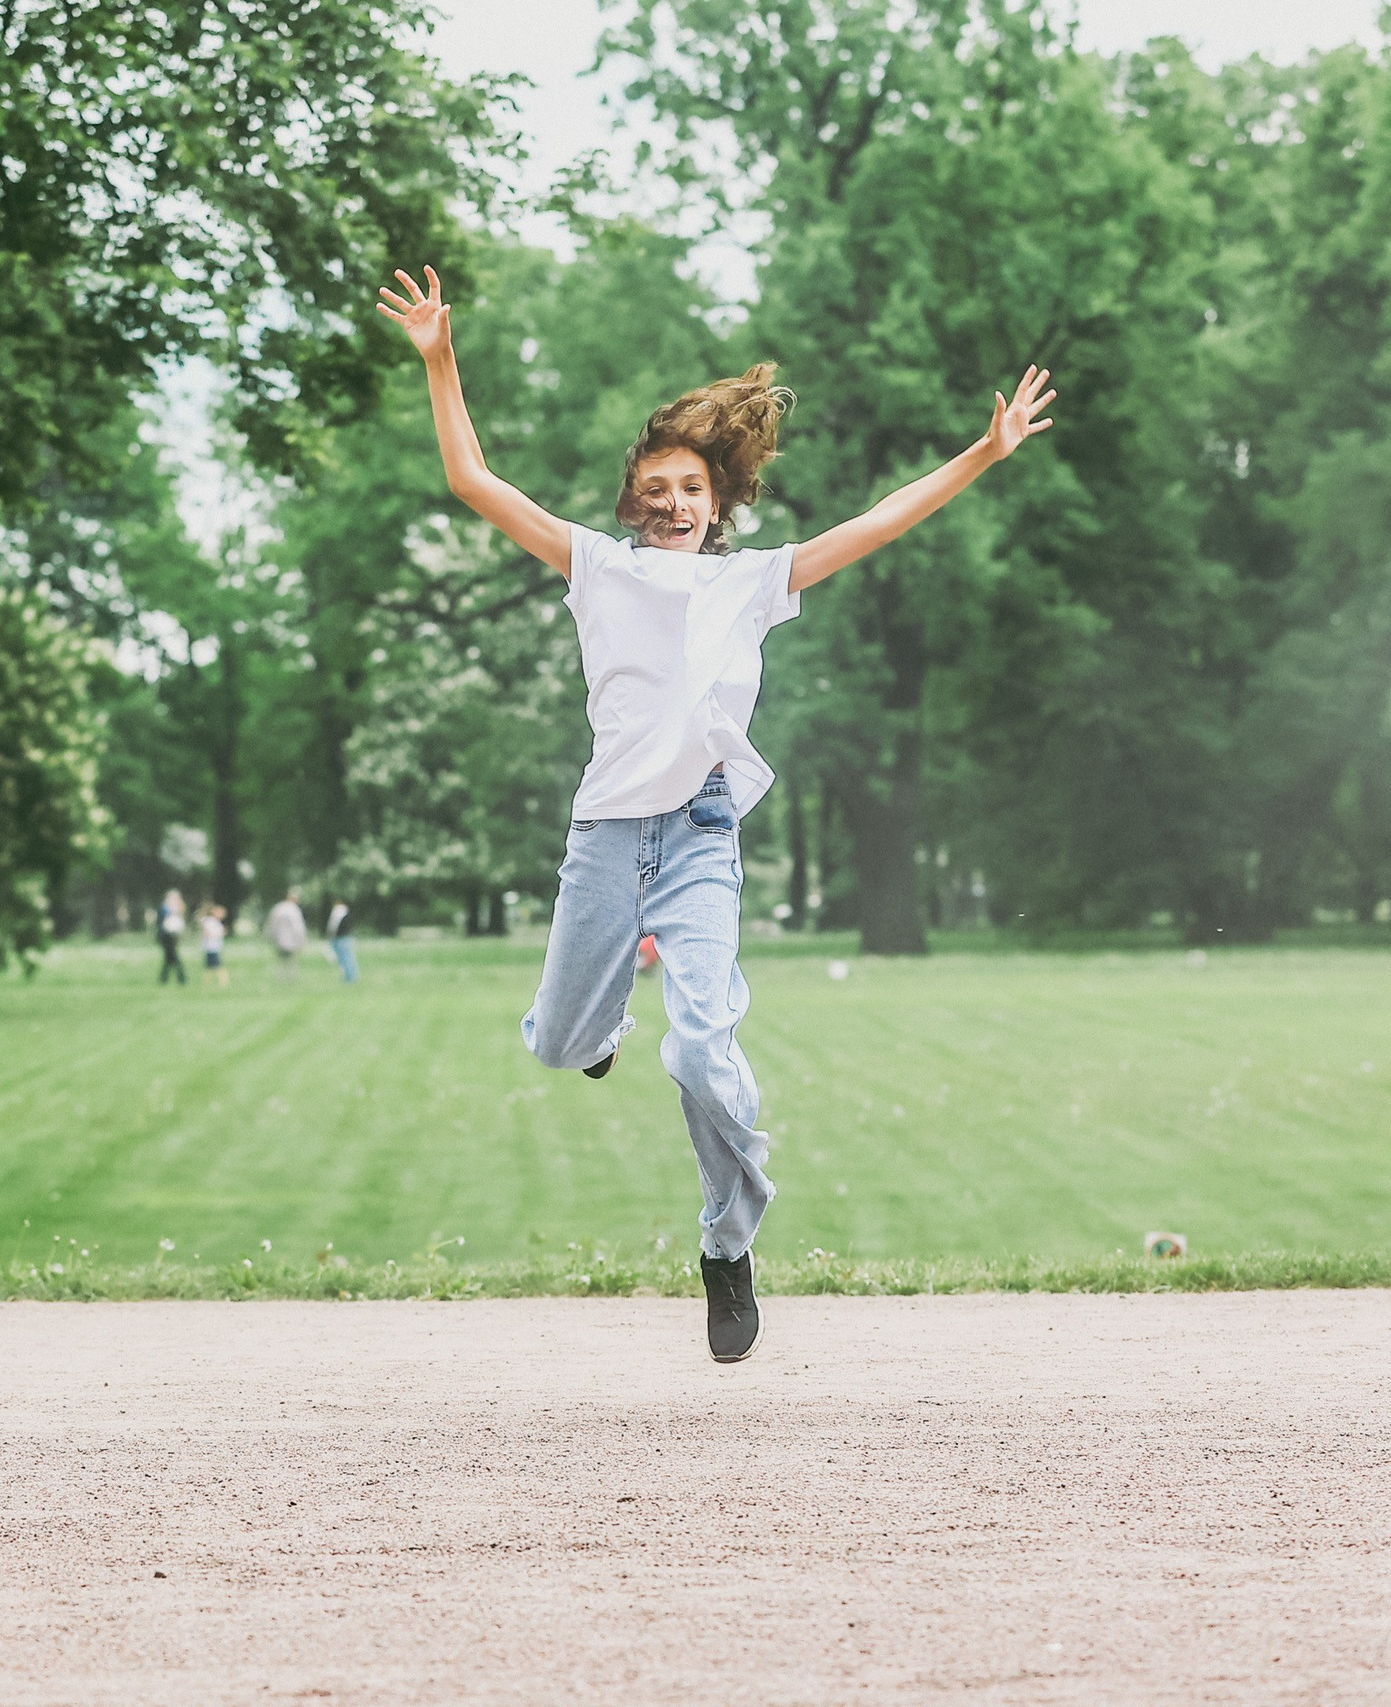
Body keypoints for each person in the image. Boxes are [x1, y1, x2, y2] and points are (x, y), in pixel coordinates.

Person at [378, 265, 1057, 1362]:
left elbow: (880, 522)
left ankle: (725, 1243)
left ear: (718, 501)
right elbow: (471, 480)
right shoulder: (593, 567)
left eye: (691, 487)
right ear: (632, 500)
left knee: (701, 1055)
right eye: (656, 486)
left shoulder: (754, 583)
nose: (674, 503)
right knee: (557, 1044)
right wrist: (439, 357)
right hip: (605, 837)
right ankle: (595, 1029)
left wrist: (983, 452)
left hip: (697, 837)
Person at [265, 888, 308, 978]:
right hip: (292, 940)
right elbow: (298, 927)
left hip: (279, 939)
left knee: (281, 960)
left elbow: (271, 924)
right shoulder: (294, 910)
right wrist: (301, 940)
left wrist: (271, 937)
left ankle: (281, 976)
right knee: (291, 961)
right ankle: (290, 977)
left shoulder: (278, 908)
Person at [155, 888, 189, 986]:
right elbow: (163, 923)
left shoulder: (175, 908)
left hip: (173, 936)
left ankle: (164, 978)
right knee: (173, 957)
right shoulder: (164, 908)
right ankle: (181, 978)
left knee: (169, 958)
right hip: (166, 936)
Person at [325, 898, 359, 983]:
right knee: (349, 957)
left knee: (344, 958)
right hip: (347, 937)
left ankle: (348, 977)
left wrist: (329, 936)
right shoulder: (346, 912)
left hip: (340, 938)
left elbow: (333, 926)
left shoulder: (338, 912)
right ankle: (352, 976)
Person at [198, 904, 229, 989]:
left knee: (209, 967)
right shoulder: (210, 921)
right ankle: (223, 982)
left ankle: (205, 982)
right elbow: (207, 933)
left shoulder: (215, 922)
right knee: (218, 966)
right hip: (211, 947)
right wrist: (220, 933)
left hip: (214, 947)